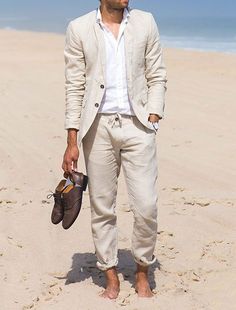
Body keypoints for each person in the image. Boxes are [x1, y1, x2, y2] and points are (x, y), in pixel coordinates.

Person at [62, 0, 167, 299]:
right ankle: (110, 274)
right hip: (97, 127)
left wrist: (154, 115)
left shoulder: (145, 22)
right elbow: (74, 86)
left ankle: (143, 269)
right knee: (102, 206)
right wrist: (72, 141)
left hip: (138, 126)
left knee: (146, 206)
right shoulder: (79, 28)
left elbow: (157, 72)